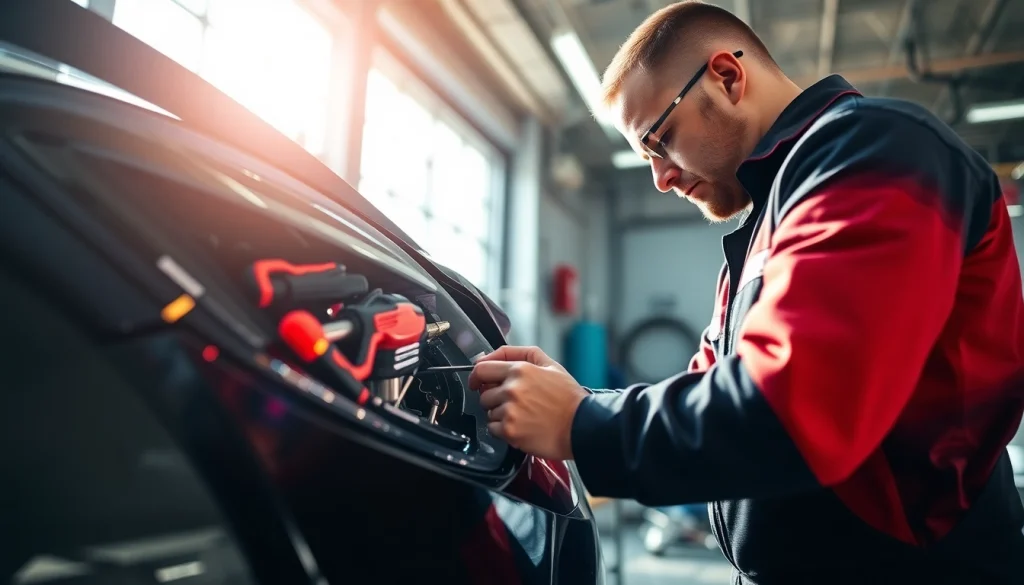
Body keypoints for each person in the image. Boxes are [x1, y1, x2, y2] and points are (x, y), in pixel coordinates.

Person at [467, 1, 1024, 583]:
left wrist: (581, 421)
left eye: (659, 140)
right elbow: (712, 395)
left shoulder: (874, 150)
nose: (660, 178)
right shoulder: (769, 224)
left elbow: (797, 408)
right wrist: (574, 397)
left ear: (727, 78)